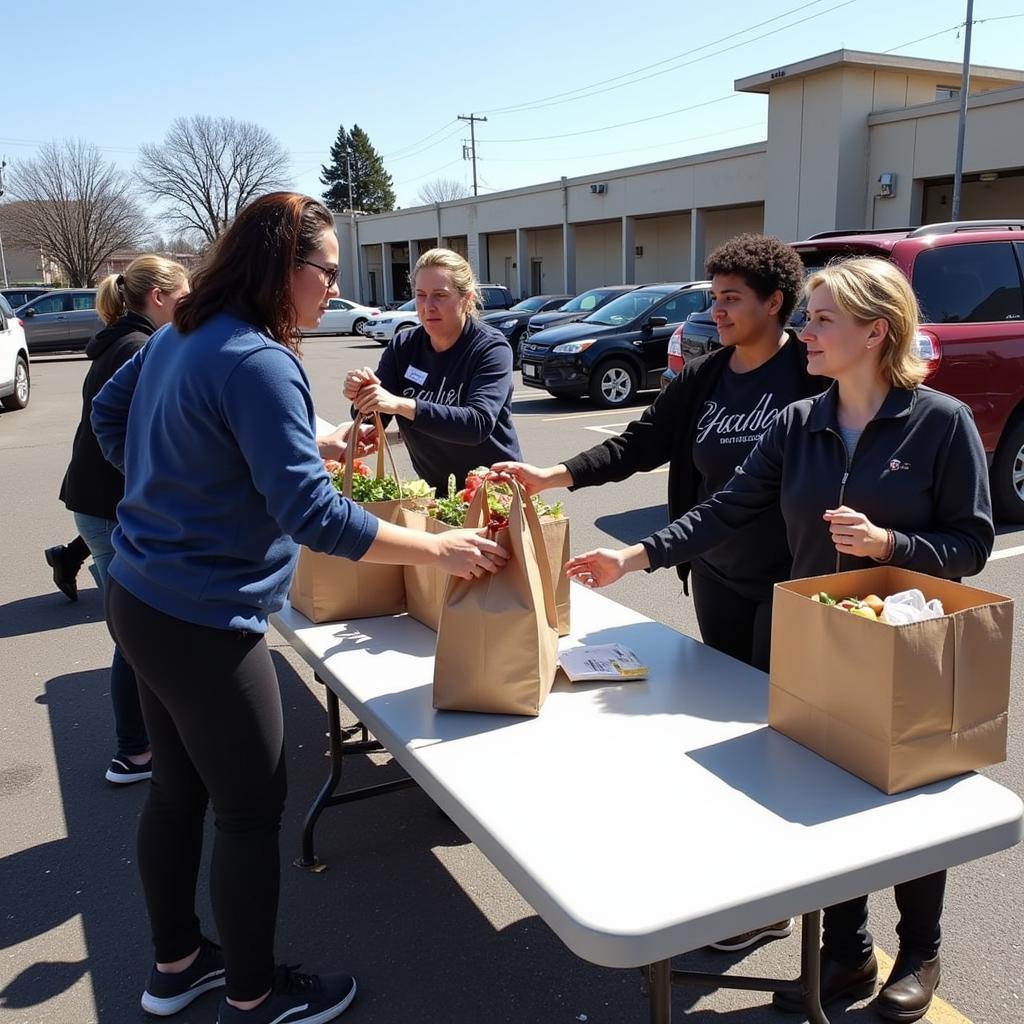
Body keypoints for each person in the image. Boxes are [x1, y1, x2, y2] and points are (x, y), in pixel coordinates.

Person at [91, 193, 507, 1024]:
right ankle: (251, 995)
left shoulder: (181, 332)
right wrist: (440, 549)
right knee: (249, 812)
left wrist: (171, 495)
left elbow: (112, 415)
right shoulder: (257, 358)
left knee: (178, 796)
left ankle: (176, 964)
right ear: (282, 269)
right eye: (325, 274)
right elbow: (314, 516)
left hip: (140, 594)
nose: (331, 292)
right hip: (206, 621)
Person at [565, 256, 994, 1022]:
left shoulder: (939, 423)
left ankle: (921, 949)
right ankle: (848, 951)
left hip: (909, 646)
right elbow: (726, 508)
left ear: (876, 332)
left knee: (912, 795)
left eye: (822, 318)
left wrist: (892, 544)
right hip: (816, 640)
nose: (805, 329)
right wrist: (635, 555)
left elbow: (971, 544)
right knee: (824, 794)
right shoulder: (802, 422)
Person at [493, 234, 821, 954]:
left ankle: (778, 897)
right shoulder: (707, 377)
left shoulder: (810, 374)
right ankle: (744, 883)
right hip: (717, 574)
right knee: (724, 731)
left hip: (792, 582)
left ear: (776, 303)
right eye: (715, 297)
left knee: (779, 738)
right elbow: (639, 442)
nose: (719, 310)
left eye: (734, 298)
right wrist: (555, 475)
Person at [56, 255, 191, 783]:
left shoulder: (121, 339)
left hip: (96, 505)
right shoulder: (140, 346)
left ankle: (141, 743)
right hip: (110, 509)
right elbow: (132, 428)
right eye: (182, 299)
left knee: (133, 629)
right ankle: (134, 752)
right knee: (135, 635)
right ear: (157, 297)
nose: (188, 311)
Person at [343, 247, 523, 492]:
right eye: (420, 295)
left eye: (440, 295)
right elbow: (377, 418)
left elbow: (477, 424)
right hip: (435, 492)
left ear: (466, 299)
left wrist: (402, 404)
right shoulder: (404, 346)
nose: (428, 306)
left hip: (492, 492)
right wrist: (362, 394)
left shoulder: (490, 348)